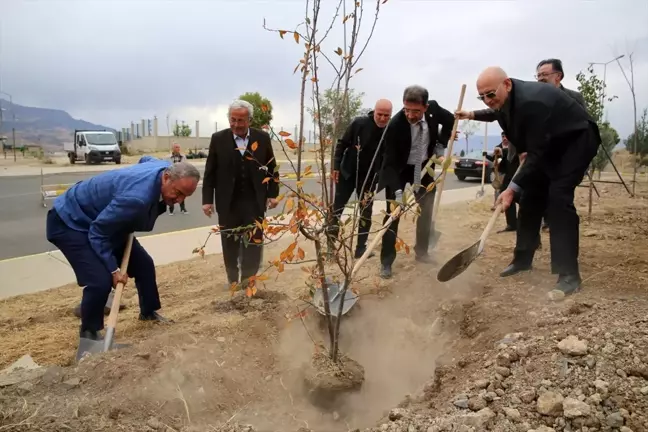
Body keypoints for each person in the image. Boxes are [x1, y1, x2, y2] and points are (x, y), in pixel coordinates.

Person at [455, 66, 601, 297]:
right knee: (531, 196)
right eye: (481, 96)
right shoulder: (506, 98)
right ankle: (523, 259)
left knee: (558, 199)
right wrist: (472, 114)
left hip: (576, 142)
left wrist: (511, 188)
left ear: (507, 84)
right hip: (550, 144)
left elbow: (536, 153)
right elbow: (497, 111)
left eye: (490, 94)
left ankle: (569, 275)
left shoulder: (533, 103)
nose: (487, 100)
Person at [47, 156, 200, 343]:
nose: (179, 200)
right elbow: (98, 233)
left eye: (186, 196)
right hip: (71, 222)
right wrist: (114, 269)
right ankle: (89, 334)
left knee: (144, 265)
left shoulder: (163, 167)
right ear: (166, 178)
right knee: (100, 281)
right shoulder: (136, 199)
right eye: (178, 192)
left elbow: (146, 159)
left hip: (108, 220)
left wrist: (126, 185)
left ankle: (148, 312)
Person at [377, 85, 455, 279]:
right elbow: (390, 162)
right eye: (407, 110)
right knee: (392, 215)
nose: (410, 115)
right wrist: (396, 190)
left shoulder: (435, 110)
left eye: (416, 111)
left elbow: (451, 121)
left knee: (426, 210)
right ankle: (386, 261)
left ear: (426, 107)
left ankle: (422, 252)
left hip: (424, 167)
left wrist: (441, 143)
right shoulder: (395, 125)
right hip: (401, 170)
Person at [202, 100, 279, 289]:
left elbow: (271, 167)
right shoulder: (218, 139)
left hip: (254, 201)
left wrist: (272, 193)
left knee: (253, 242)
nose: (236, 124)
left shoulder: (262, 138)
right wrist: (207, 200)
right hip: (228, 202)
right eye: (233, 120)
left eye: (241, 120)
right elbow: (210, 171)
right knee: (229, 243)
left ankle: (248, 280)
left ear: (249, 120)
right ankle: (233, 280)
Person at [331, 99, 393, 258]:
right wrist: (336, 166)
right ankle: (330, 247)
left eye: (387, 115)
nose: (383, 118)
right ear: (374, 111)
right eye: (380, 114)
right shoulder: (359, 124)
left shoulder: (390, 131)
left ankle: (360, 248)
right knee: (337, 209)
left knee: (366, 212)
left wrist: (380, 176)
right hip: (348, 173)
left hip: (369, 179)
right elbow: (342, 144)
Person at [536, 58, 588, 231]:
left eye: (545, 74)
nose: (540, 78)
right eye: (538, 75)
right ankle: (547, 220)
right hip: (543, 156)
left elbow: (584, 126)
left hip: (568, 158)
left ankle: (561, 229)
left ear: (558, 76)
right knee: (540, 193)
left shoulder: (574, 98)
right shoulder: (535, 100)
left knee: (562, 196)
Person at [486, 132, 519, 232]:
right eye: (503, 136)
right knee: (506, 196)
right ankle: (512, 224)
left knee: (526, 201)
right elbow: (498, 159)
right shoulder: (499, 147)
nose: (504, 138)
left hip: (520, 174)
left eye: (506, 136)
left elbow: (514, 153)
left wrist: (502, 151)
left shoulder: (517, 143)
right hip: (508, 176)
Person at [167, 143, 189, 215]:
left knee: (181, 193)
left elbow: (186, 166)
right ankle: (171, 209)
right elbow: (166, 167)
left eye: (179, 147)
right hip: (171, 178)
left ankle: (183, 208)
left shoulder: (183, 157)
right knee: (171, 194)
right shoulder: (168, 157)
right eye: (176, 147)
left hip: (180, 178)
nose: (178, 148)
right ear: (173, 148)